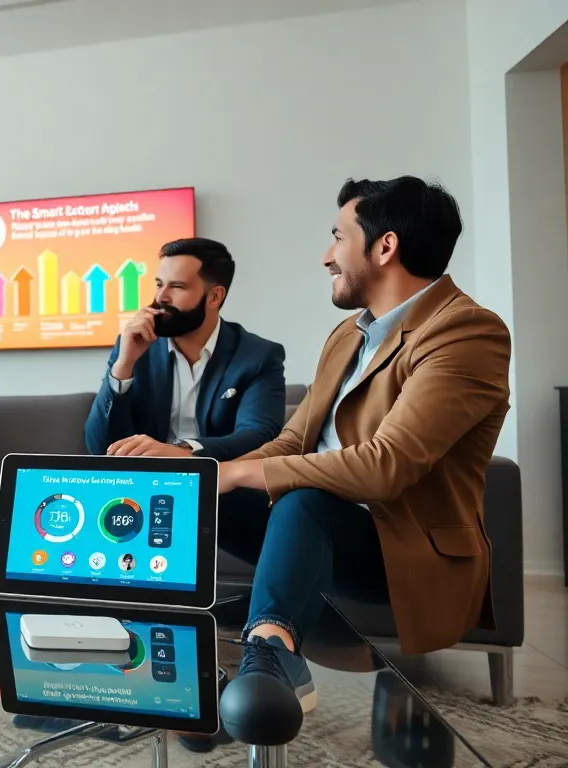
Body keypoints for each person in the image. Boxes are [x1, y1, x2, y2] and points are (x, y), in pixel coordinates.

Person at [218, 177, 511, 716]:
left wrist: (234, 475)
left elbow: (386, 467)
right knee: (188, 495)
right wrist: (209, 475)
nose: (326, 256)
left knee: (305, 500)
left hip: (401, 549)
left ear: (385, 246)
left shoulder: (468, 333)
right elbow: (289, 442)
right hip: (311, 523)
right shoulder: (349, 335)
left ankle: (269, 651)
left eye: (337, 237)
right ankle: (142, 637)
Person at [83, 238, 286, 460]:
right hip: (144, 486)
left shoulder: (258, 356)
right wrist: (124, 365)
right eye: (160, 284)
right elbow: (100, 446)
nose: (161, 297)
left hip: (221, 486)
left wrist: (183, 451)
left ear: (215, 297)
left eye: (177, 287)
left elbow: (259, 436)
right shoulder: (135, 346)